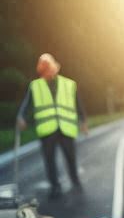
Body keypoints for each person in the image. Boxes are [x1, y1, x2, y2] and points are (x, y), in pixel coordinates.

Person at [16, 53, 88, 199]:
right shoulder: (35, 86)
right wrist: (22, 117)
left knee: (70, 157)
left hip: (66, 127)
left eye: (49, 68)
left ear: (55, 67)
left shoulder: (69, 84)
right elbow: (27, 104)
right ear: (41, 71)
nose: (48, 72)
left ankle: (75, 180)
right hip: (47, 129)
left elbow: (78, 103)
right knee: (49, 160)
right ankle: (55, 187)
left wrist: (83, 121)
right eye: (44, 70)